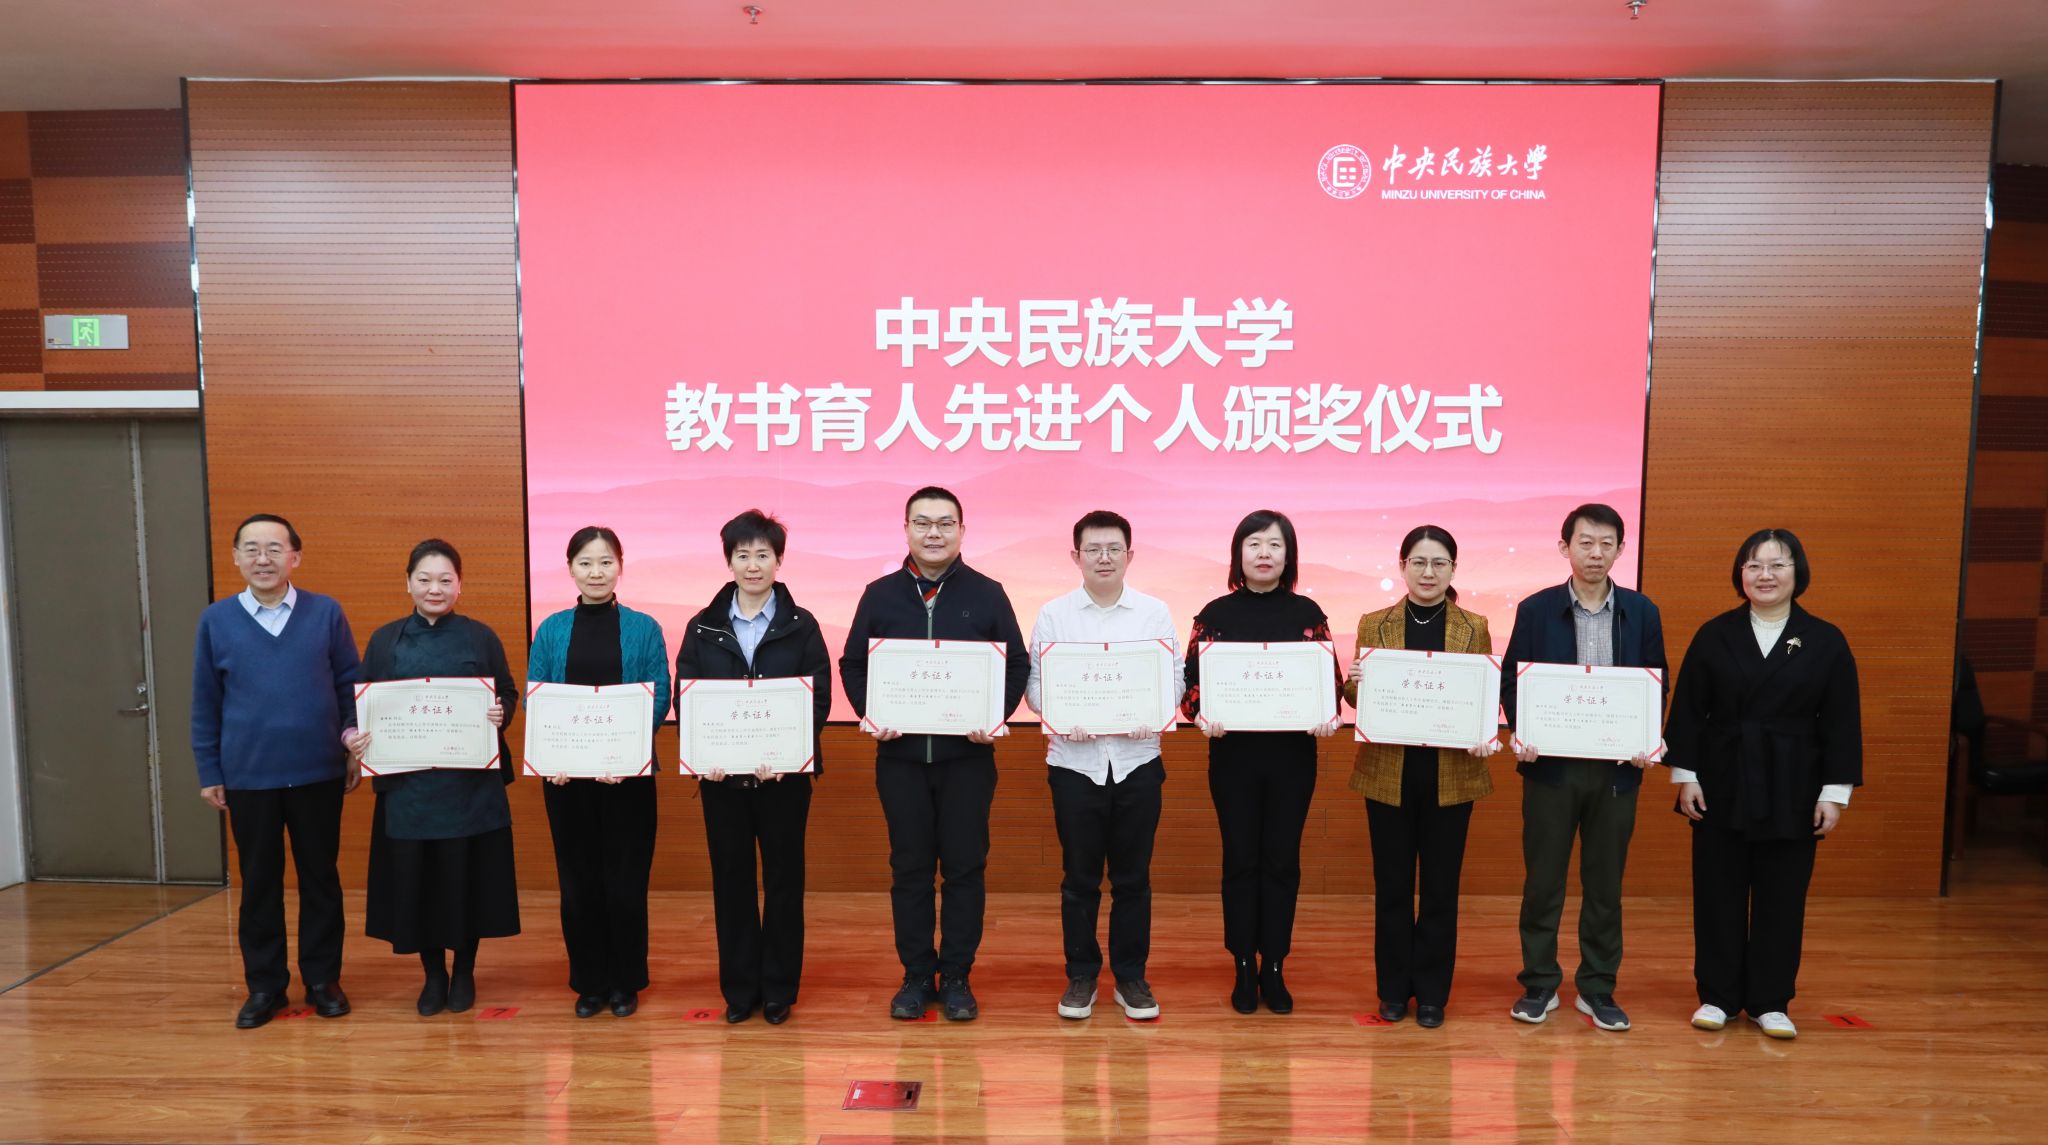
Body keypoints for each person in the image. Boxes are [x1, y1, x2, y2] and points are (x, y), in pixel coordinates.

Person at [839, 486, 1030, 1022]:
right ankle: (917, 975)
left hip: (968, 760)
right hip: (900, 760)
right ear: (906, 530)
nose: (934, 533)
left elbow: (1016, 663)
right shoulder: (879, 595)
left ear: (962, 531)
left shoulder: (988, 594)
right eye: (922, 523)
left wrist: (994, 715)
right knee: (910, 869)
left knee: (965, 868)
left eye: (945, 523)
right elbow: (853, 664)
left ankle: (958, 975)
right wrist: (872, 712)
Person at [1666, 528, 1861, 1040]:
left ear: (1798, 573)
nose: (1765, 575)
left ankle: (1771, 1001)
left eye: (1777, 565)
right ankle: (1717, 996)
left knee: (1783, 894)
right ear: (1741, 574)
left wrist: (1834, 793)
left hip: (1793, 781)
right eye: (1754, 565)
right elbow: (1688, 710)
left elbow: (1841, 721)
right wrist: (1686, 776)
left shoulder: (1825, 639)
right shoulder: (1715, 634)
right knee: (1717, 890)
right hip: (1722, 778)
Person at [1499, 503, 1667, 1032]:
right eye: (1585, 542)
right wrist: (1523, 729)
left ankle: (1597, 987)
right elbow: (1513, 681)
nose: (1596, 553)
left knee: (1605, 885)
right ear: (1564, 547)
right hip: (1551, 769)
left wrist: (1645, 738)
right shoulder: (1536, 609)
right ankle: (1539, 983)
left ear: (1620, 549)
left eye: (1606, 543)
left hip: (1616, 770)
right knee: (1543, 882)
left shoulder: (1642, 611)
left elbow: (1655, 682)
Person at [190, 513, 360, 1029]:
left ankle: (322, 980)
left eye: (274, 548)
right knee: (259, 883)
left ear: (295, 557)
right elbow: (205, 701)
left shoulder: (325, 613)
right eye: (251, 549)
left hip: (318, 772)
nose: (262, 559)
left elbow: (350, 687)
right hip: (249, 777)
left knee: (320, 879)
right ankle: (265, 987)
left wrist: (354, 748)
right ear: (236, 557)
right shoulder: (216, 621)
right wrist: (209, 768)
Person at [673, 510, 832, 1026]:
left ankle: (779, 988)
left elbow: (818, 698)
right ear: (729, 562)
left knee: (784, 882)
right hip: (722, 782)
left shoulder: (802, 625)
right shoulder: (703, 626)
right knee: (732, 882)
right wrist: (705, 756)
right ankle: (740, 989)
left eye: (763, 554)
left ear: (779, 560)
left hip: (785, 781)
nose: (753, 565)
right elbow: (687, 697)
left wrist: (789, 754)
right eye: (742, 555)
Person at [1182, 509, 1343, 1015]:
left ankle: (1273, 963)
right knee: (1240, 860)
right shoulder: (1214, 615)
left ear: (1288, 555)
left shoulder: (1307, 613)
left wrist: (1326, 714)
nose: (1264, 554)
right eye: (1254, 544)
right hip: (1233, 758)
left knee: (1281, 861)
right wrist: (1201, 713)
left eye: (1275, 545)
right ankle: (1242, 964)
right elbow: (1190, 688)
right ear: (1238, 554)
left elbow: (1331, 684)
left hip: (1292, 759)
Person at [351, 539, 521, 1017]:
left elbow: (507, 692)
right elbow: (362, 702)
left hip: (469, 790)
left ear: (459, 585)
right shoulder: (385, 640)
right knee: (418, 884)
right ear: (408, 583)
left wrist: (500, 711)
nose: (435, 589)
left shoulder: (481, 637)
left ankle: (464, 971)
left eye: (445, 580)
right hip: (409, 792)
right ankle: (432, 975)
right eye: (424, 579)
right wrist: (357, 735)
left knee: (465, 882)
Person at [1025, 510, 1183, 1022]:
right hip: (1075, 764)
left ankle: (1131, 977)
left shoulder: (1154, 613)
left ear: (1130, 555)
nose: (1104, 558)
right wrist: (1061, 714)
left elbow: (1174, 679)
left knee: (1134, 878)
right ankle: (1082, 975)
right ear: (1076, 557)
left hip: (1138, 761)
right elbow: (1035, 685)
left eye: (1114, 548)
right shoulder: (1054, 615)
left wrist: (1153, 714)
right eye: (1093, 549)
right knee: (1079, 878)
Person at [1342, 525, 1498, 1029]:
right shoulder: (1375, 624)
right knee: (1391, 888)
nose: (1428, 572)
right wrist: (1354, 682)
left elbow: (1481, 695)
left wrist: (1483, 730)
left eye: (1439, 563)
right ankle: (1392, 990)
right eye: (1419, 562)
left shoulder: (1473, 626)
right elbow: (1355, 697)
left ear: (1453, 569)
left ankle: (1432, 994)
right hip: (1389, 774)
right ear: (1402, 566)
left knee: (1439, 890)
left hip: (1451, 777)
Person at [528, 525, 670, 1018]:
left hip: (628, 779)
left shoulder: (644, 627)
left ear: (620, 567)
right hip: (566, 780)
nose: (596, 572)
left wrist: (624, 755)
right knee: (578, 884)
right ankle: (588, 983)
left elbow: (659, 693)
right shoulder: (550, 629)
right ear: (570, 569)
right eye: (586, 563)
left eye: (606, 562)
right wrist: (552, 756)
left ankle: (625, 982)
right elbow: (537, 696)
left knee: (626, 884)